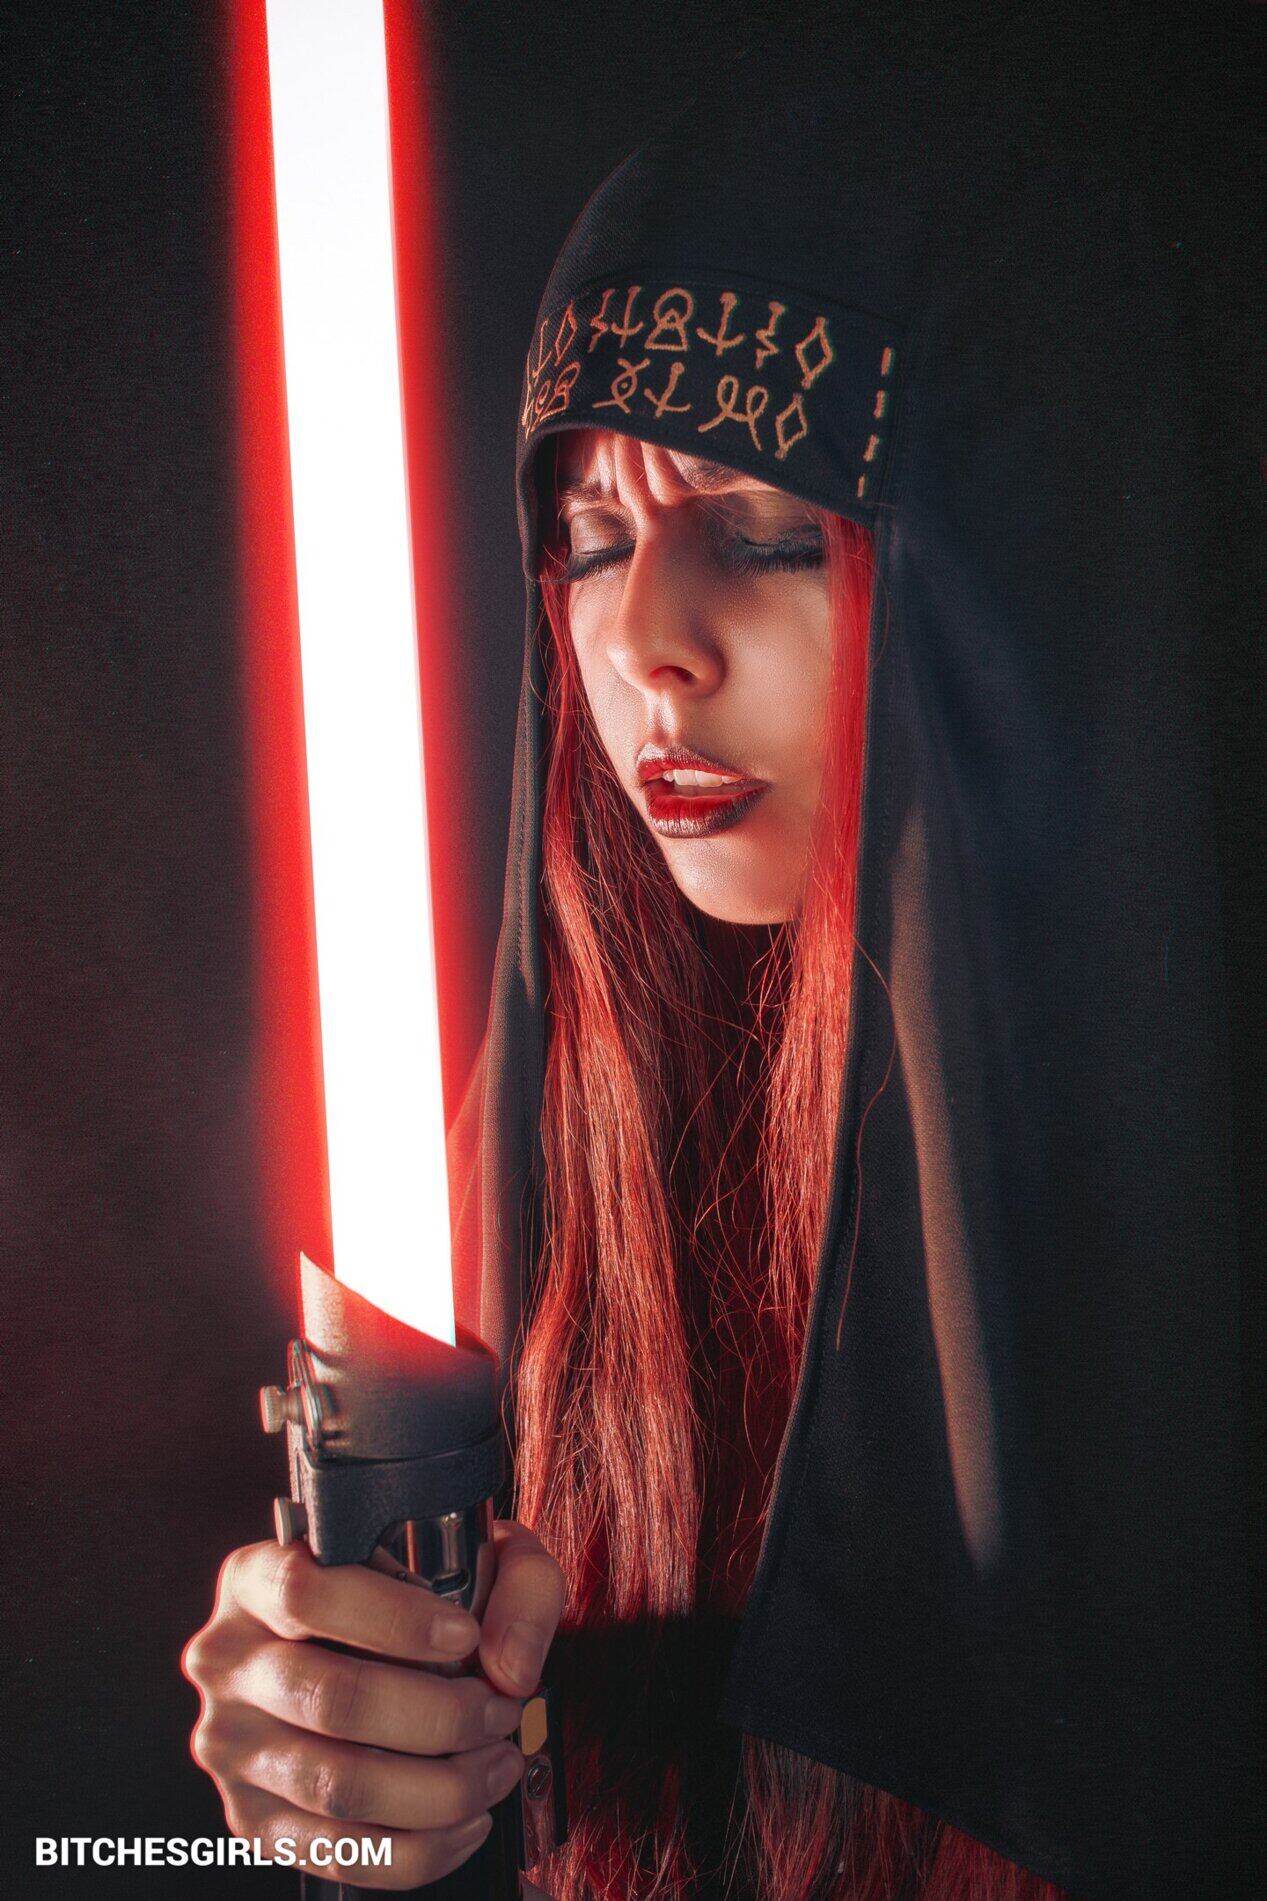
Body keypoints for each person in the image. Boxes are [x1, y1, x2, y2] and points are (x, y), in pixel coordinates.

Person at [186, 19, 1261, 1900]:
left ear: (1026, 595)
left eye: (762, 533)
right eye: (593, 538)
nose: (641, 645)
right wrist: (343, 1762)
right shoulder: (519, 1206)